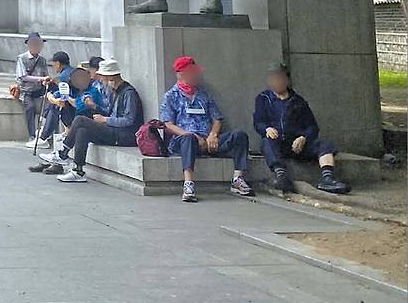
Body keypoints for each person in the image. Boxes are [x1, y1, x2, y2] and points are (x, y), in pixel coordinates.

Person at [160, 55, 255, 202]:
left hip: (208, 141)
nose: (196, 75)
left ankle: (237, 179)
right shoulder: (170, 96)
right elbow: (167, 124)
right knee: (188, 138)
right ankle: (188, 184)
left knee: (239, 135)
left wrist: (213, 135)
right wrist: (193, 136)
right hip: (186, 140)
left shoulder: (203, 94)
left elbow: (217, 118)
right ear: (181, 74)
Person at [42, 58, 143, 183]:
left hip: (125, 135)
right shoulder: (114, 90)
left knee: (80, 120)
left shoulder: (128, 93)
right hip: (114, 130)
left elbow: (129, 120)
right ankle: (78, 170)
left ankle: (63, 153)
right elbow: (109, 111)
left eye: (102, 76)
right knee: (82, 131)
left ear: (111, 76)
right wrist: (94, 106)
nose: (100, 79)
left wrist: (105, 119)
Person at [254, 63, 350, 194]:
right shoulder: (263, 99)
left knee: (325, 145)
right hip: (277, 144)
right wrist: (267, 129)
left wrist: (303, 137)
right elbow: (258, 122)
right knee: (266, 142)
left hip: (298, 145)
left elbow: (312, 126)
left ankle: (328, 178)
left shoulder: (298, 101)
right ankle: (281, 175)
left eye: (279, 78)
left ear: (286, 80)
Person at [29, 66, 108, 175]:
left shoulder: (92, 91)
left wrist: (66, 98)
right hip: (74, 120)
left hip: (90, 121)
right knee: (56, 106)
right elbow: (53, 95)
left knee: (78, 123)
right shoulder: (74, 89)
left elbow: (78, 104)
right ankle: (55, 159)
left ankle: (59, 154)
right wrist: (55, 99)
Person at [15, 32, 49, 146]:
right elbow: (23, 76)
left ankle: (44, 134)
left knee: (50, 105)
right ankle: (32, 135)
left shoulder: (42, 60)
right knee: (30, 108)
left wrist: (45, 80)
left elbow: (45, 74)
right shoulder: (22, 58)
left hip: (39, 90)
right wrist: (41, 79)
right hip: (26, 91)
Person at [36, 52, 75, 148]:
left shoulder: (63, 77)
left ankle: (44, 136)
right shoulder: (71, 71)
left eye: (53, 64)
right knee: (52, 103)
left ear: (58, 63)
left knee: (55, 105)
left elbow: (59, 94)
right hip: (72, 104)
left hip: (72, 107)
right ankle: (44, 131)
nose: (53, 67)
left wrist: (50, 96)